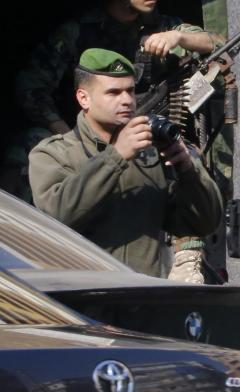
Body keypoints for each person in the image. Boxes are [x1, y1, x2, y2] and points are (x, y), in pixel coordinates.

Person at [12, 0, 224, 282]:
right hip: (80, 135)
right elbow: (31, 88)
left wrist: (179, 39)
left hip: (149, 134)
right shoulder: (80, 31)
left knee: (192, 160)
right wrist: (68, 137)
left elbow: (217, 42)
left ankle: (189, 256)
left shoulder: (164, 25)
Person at [28, 48, 223, 278]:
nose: (127, 100)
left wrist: (188, 171)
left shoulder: (149, 154)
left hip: (143, 300)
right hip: (83, 301)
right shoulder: (54, 154)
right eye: (113, 92)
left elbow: (202, 224)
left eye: (130, 91)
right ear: (84, 98)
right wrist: (115, 156)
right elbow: (57, 217)